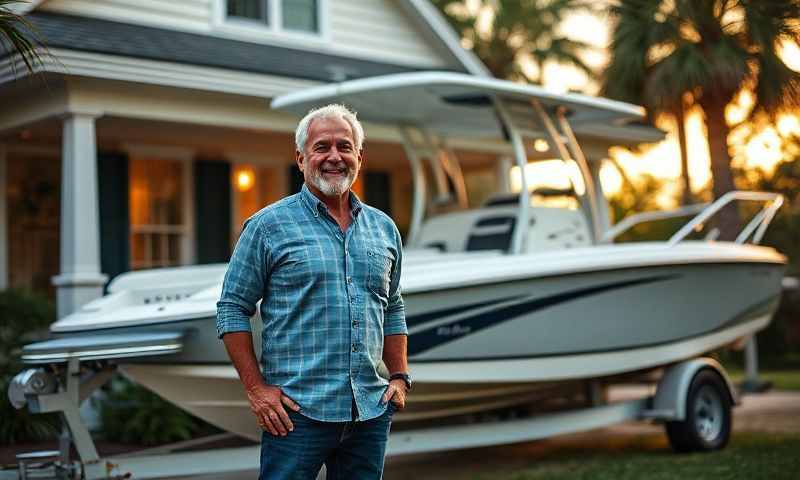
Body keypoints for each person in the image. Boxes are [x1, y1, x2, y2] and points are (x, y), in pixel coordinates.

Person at [216, 103, 410, 480]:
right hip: (295, 416)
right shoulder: (267, 226)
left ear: (359, 156)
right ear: (301, 159)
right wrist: (257, 390)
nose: (333, 157)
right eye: (322, 147)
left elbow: (393, 306)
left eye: (344, 146)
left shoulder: (384, 229)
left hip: (368, 413)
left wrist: (400, 377)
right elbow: (232, 308)